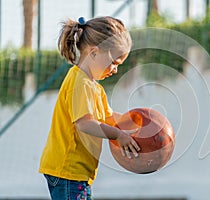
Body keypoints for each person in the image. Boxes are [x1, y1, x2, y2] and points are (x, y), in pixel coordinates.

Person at [39, 16, 140, 200]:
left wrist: (134, 120)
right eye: (114, 62)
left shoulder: (95, 87)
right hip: (67, 171)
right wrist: (117, 135)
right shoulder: (80, 83)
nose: (115, 70)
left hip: (78, 173)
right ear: (94, 52)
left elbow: (107, 119)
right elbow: (85, 124)